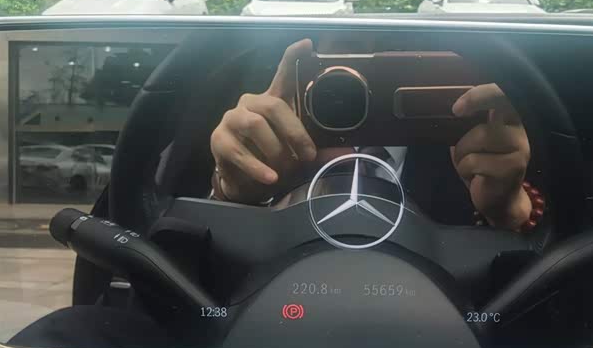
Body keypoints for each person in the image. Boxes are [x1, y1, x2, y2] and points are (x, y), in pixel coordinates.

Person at [210, 39, 537, 231]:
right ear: (305, 69)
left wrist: (508, 209)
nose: (356, 90)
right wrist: (233, 192)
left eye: (387, 64)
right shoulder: (268, 125)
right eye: (339, 61)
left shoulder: (472, 134)